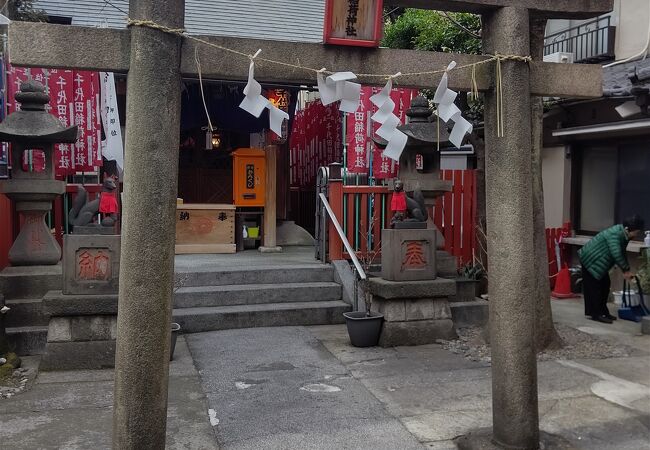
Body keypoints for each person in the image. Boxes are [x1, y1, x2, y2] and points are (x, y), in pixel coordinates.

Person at [579, 215, 645, 323]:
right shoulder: (615, 234)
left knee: (605, 285)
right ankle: (596, 314)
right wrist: (625, 270)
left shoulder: (624, 235)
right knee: (595, 288)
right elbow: (616, 253)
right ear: (628, 229)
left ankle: (603, 311)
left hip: (599, 261)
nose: (637, 235)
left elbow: (622, 252)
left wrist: (626, 270)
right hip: (590, 259)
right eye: (636, 232)